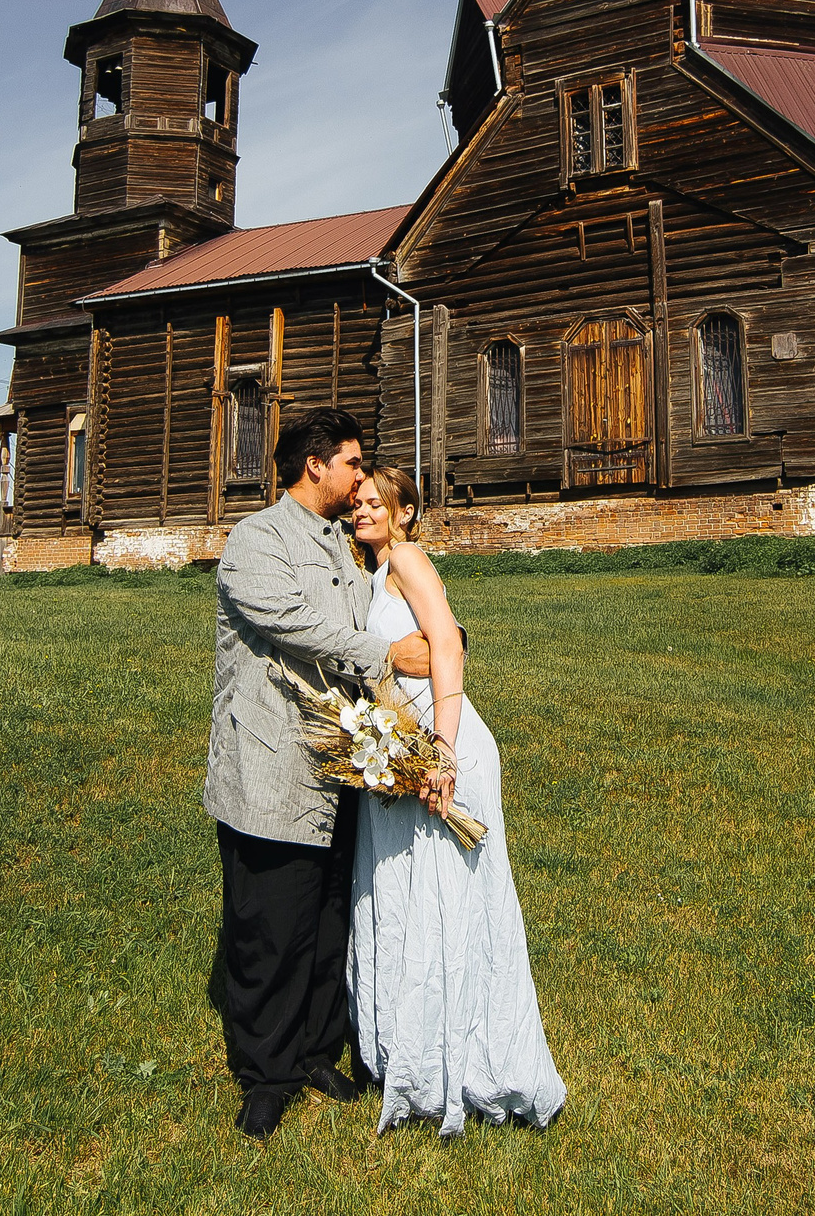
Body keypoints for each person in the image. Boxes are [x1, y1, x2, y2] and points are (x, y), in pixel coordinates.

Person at [207, 407, 434, 1140]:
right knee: (269, 924)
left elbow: (391, 596)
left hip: (338, 765)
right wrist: (385, 657)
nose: (361, 474)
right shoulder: (256, 541)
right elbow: (298, 625)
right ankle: (264, 1073)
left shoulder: (344, 541)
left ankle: (312, 1050)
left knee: (326, 914)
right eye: (353, 461)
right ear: (315, 465)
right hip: (270, 765)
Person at [346, 464, 567, 1135]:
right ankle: (413, 1056)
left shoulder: (408, 559)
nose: (361, 511)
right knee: (410, 894)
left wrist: (441, 750)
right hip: (394, 751)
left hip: (439, 745)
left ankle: (472, 1060)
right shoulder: (369, 573)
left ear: (406, 510)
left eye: (374, 502)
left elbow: (448, 643)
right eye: (355, 503)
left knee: (449, 898)